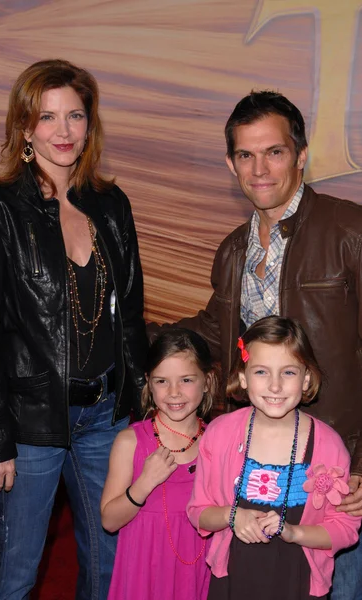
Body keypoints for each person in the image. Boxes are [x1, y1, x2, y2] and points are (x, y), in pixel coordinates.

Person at [153, 90, 362, 598]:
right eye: (245, 155)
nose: (260, 168)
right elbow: (213, 332)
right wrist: (130, 338)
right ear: (231, 164)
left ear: (302, 154)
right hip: (254, 476)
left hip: (336, 474)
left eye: (275, 151)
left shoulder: (349, 230)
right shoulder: (232, 250)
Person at [0, 59, 148, 600]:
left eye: (75, 115)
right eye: (47, 117)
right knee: (15, 572)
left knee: (109, 568)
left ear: (90, 125)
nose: (63, 131)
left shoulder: (111, 206)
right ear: (25, 127)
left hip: (106, 420)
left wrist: (144, 415)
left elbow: (131, 319)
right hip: (31, 424)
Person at [187, 316, 361, 600]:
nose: (275, 386)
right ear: (243, 377)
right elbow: (198, 511)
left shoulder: (329, 446)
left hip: (299, 584)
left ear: (306, 378)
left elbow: (344, 529)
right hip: (234, 580)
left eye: (289, 373)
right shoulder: (220, 434)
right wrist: (232, 516)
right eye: (261, 372)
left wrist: (294, 533)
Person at [100, 329, 218, 599]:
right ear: (148, 384)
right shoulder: (130, 442)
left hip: (199, 573)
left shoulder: (218, 441)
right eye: (162, 381)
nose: (174, 392)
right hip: (144, 576)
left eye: (186, 380)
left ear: (207, 381)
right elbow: (109, 521)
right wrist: (144, 483)